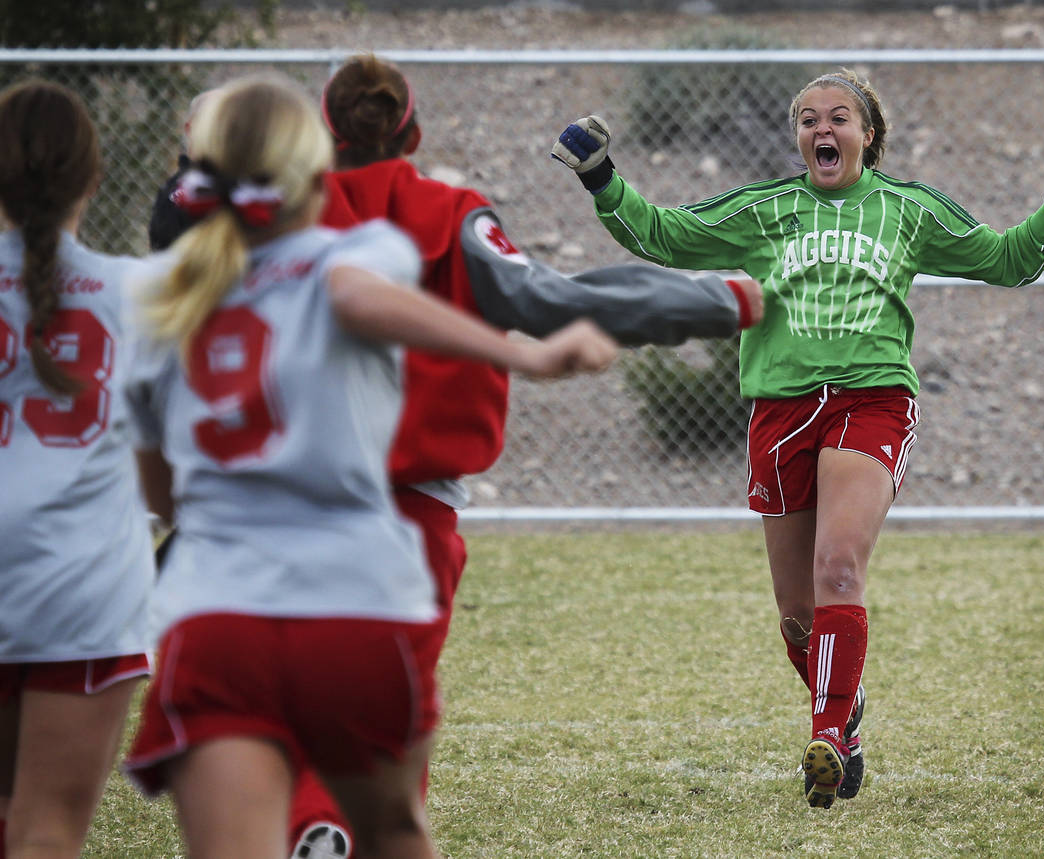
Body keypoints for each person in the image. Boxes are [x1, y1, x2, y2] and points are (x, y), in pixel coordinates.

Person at [148, 53, 764, 855]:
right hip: (408, 521)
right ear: (414, 129)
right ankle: (328, 823)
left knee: (258, 720)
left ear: (320, 138)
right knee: (382, 757)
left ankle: (310, 821)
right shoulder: (440, 213)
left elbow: (178, 249)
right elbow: (551, 301)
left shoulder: (271, 221)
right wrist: (712, 299)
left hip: (263, 511)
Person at [551, 68, 1044, 809]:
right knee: (797, 615)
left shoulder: (907, 210)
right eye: (808, 119)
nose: (822, 130)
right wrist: (601, 177)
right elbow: (664, 235)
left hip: (869, 402)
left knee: (838, 567)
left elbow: (1006, 261)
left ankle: (829, 738)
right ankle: (846, 708)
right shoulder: (767, 209)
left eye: (838, 117)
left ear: (867, 134)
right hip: (780, 411)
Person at [0, 79, 156, 857]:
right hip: (79, 592)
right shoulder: (132, 295)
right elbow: (166, 468)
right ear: (94, 179)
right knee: (45, 835)